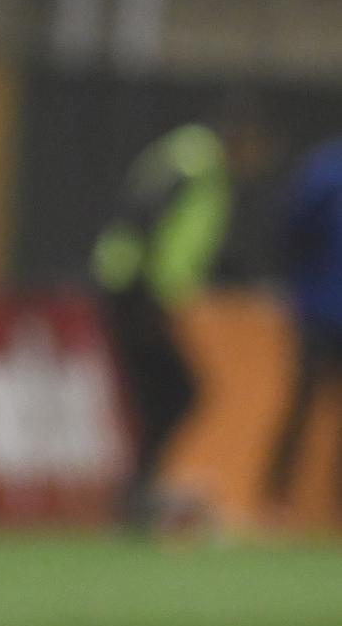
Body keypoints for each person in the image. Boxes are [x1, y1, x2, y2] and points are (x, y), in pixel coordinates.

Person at [90, 107, 270, 528]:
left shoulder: (201, 166)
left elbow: (191, 244)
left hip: (144, 292)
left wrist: (237, 278)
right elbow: (146, 219)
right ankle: (137, 491)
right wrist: (142, 292)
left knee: (164, 395)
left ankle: (139, 492)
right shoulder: (196, 164)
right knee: (175, 392)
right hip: (135, 291)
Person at [262, 137, 342, 519]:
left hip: (320, 307)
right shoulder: (325, 172)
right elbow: (290, 230)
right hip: (320, 313)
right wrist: (299, 286)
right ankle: (276, 500)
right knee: (303, 404)